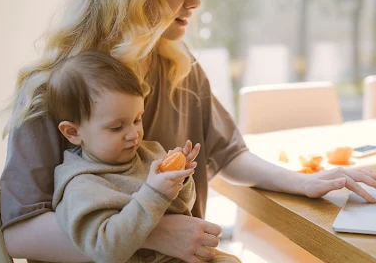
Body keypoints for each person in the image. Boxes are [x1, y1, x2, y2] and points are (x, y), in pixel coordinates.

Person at [0, 0, 376, 263]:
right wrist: (154, 233)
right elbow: (19, 233)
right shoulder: (49, 90)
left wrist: (302, 182)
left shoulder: (178, 66)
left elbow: (228, 154)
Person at [46, 51, 239, 263]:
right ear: (73, 133)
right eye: (117, 127)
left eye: (137, 120)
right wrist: (154, 193)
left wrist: (180, 180)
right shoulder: (81, 186)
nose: (134, 133)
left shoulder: (149, 153)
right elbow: (106, 250)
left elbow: (183, 209)